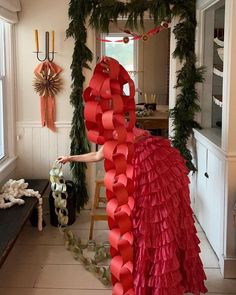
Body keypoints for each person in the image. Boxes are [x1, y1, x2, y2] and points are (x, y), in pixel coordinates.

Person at [58, 57, 207, 295]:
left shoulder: (120, 133)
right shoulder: (121, 133)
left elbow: (98, 157)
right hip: (155, 176)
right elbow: (97, 156)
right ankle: (156, 277)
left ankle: (156, 279)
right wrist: (71, 158)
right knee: (155, 227)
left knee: (152, 228)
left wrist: (71, 158)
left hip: (154, 178)